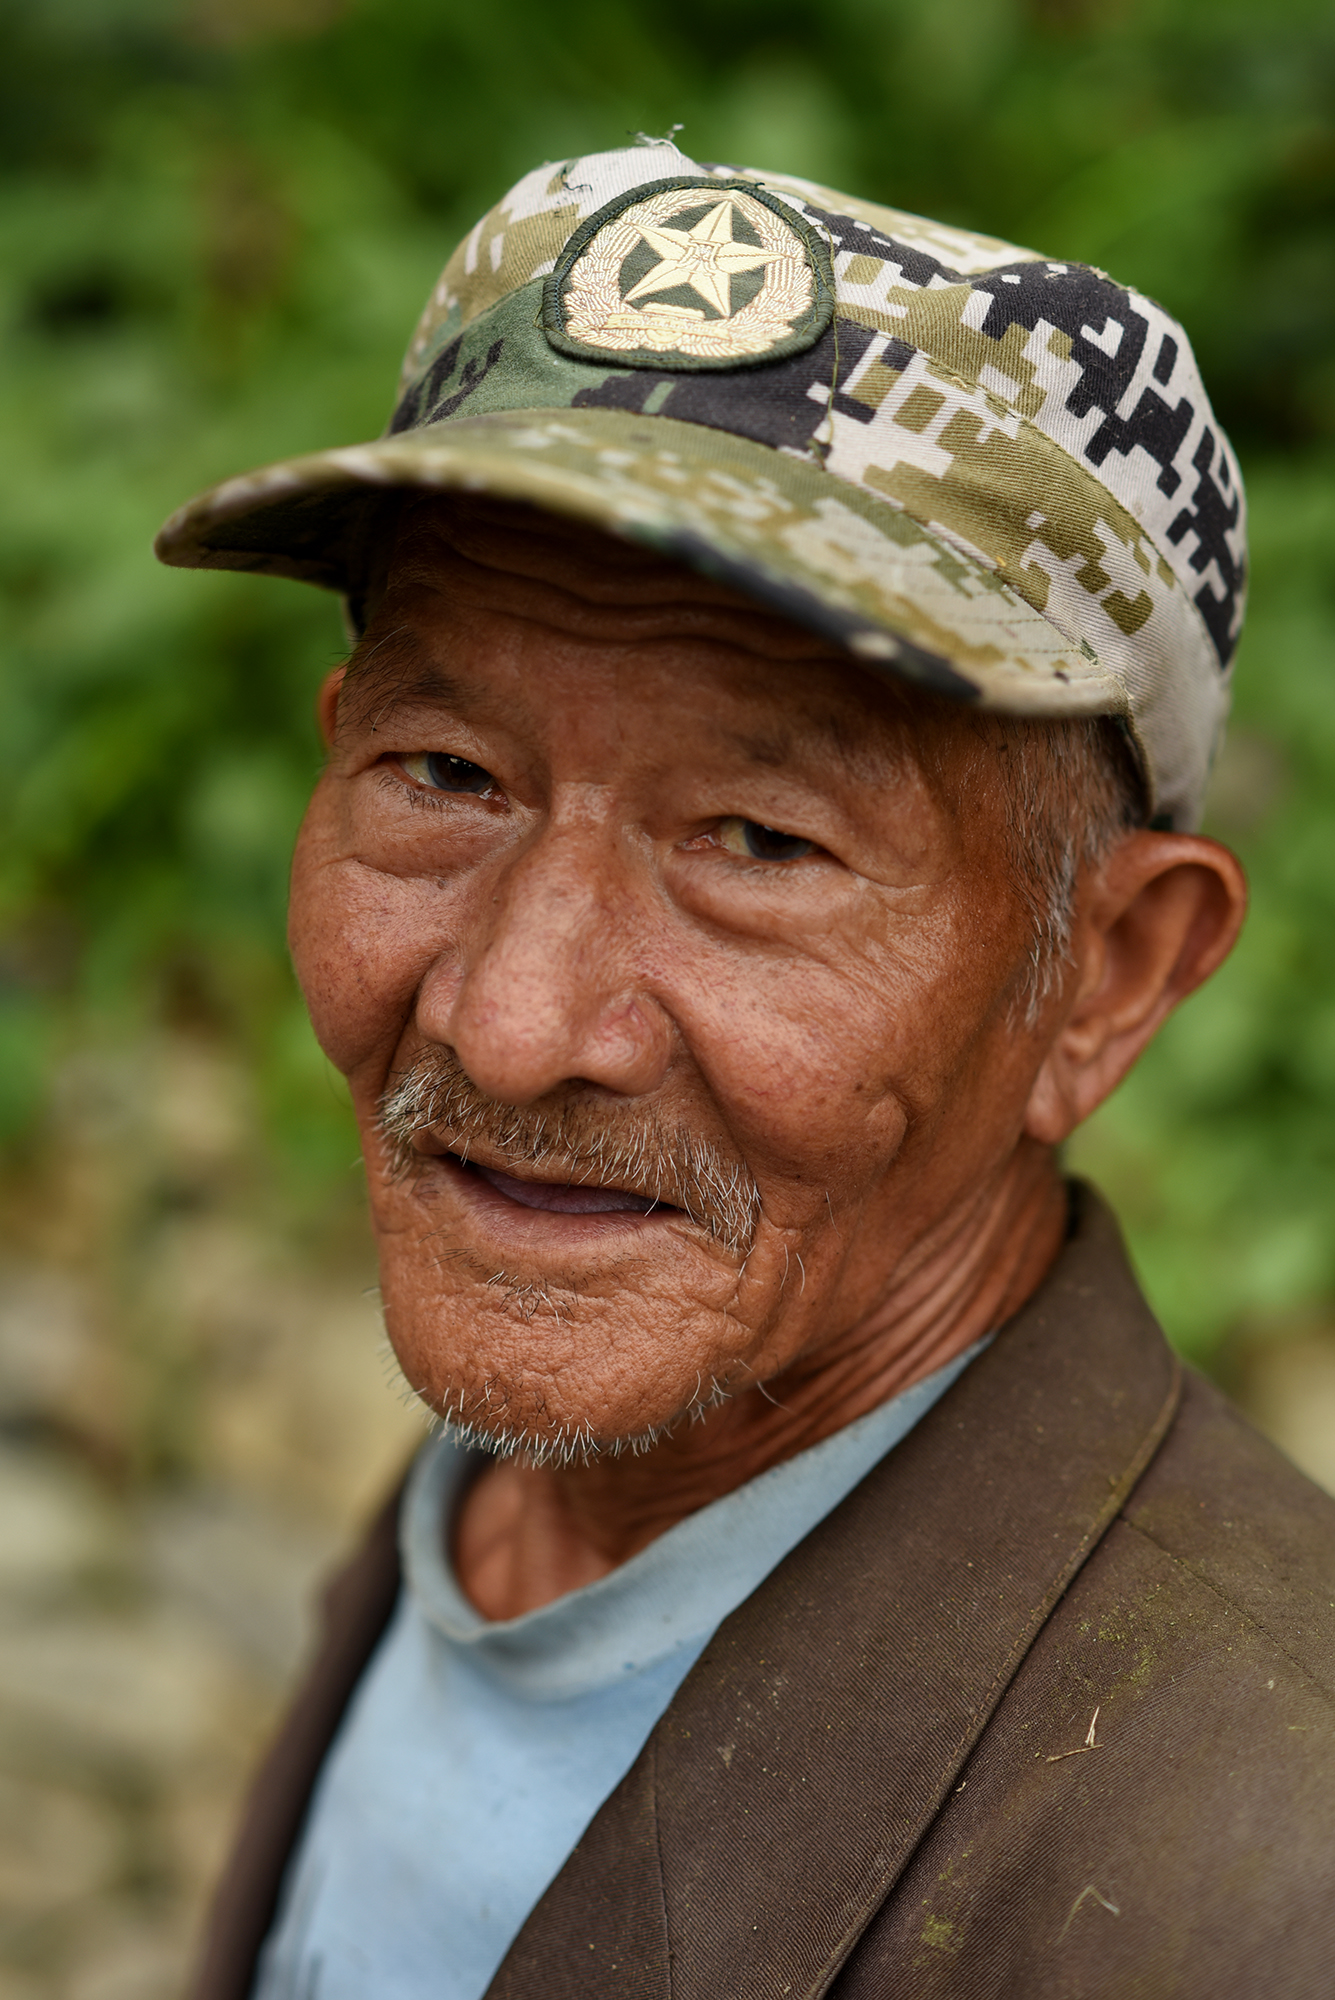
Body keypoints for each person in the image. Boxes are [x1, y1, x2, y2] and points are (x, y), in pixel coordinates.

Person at [156, 140, 1334, 1999]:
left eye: (760, 844)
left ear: (1104, 977)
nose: (512, 1027)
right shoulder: (548, 1460)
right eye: (446, 777)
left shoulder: (1258, 1881)